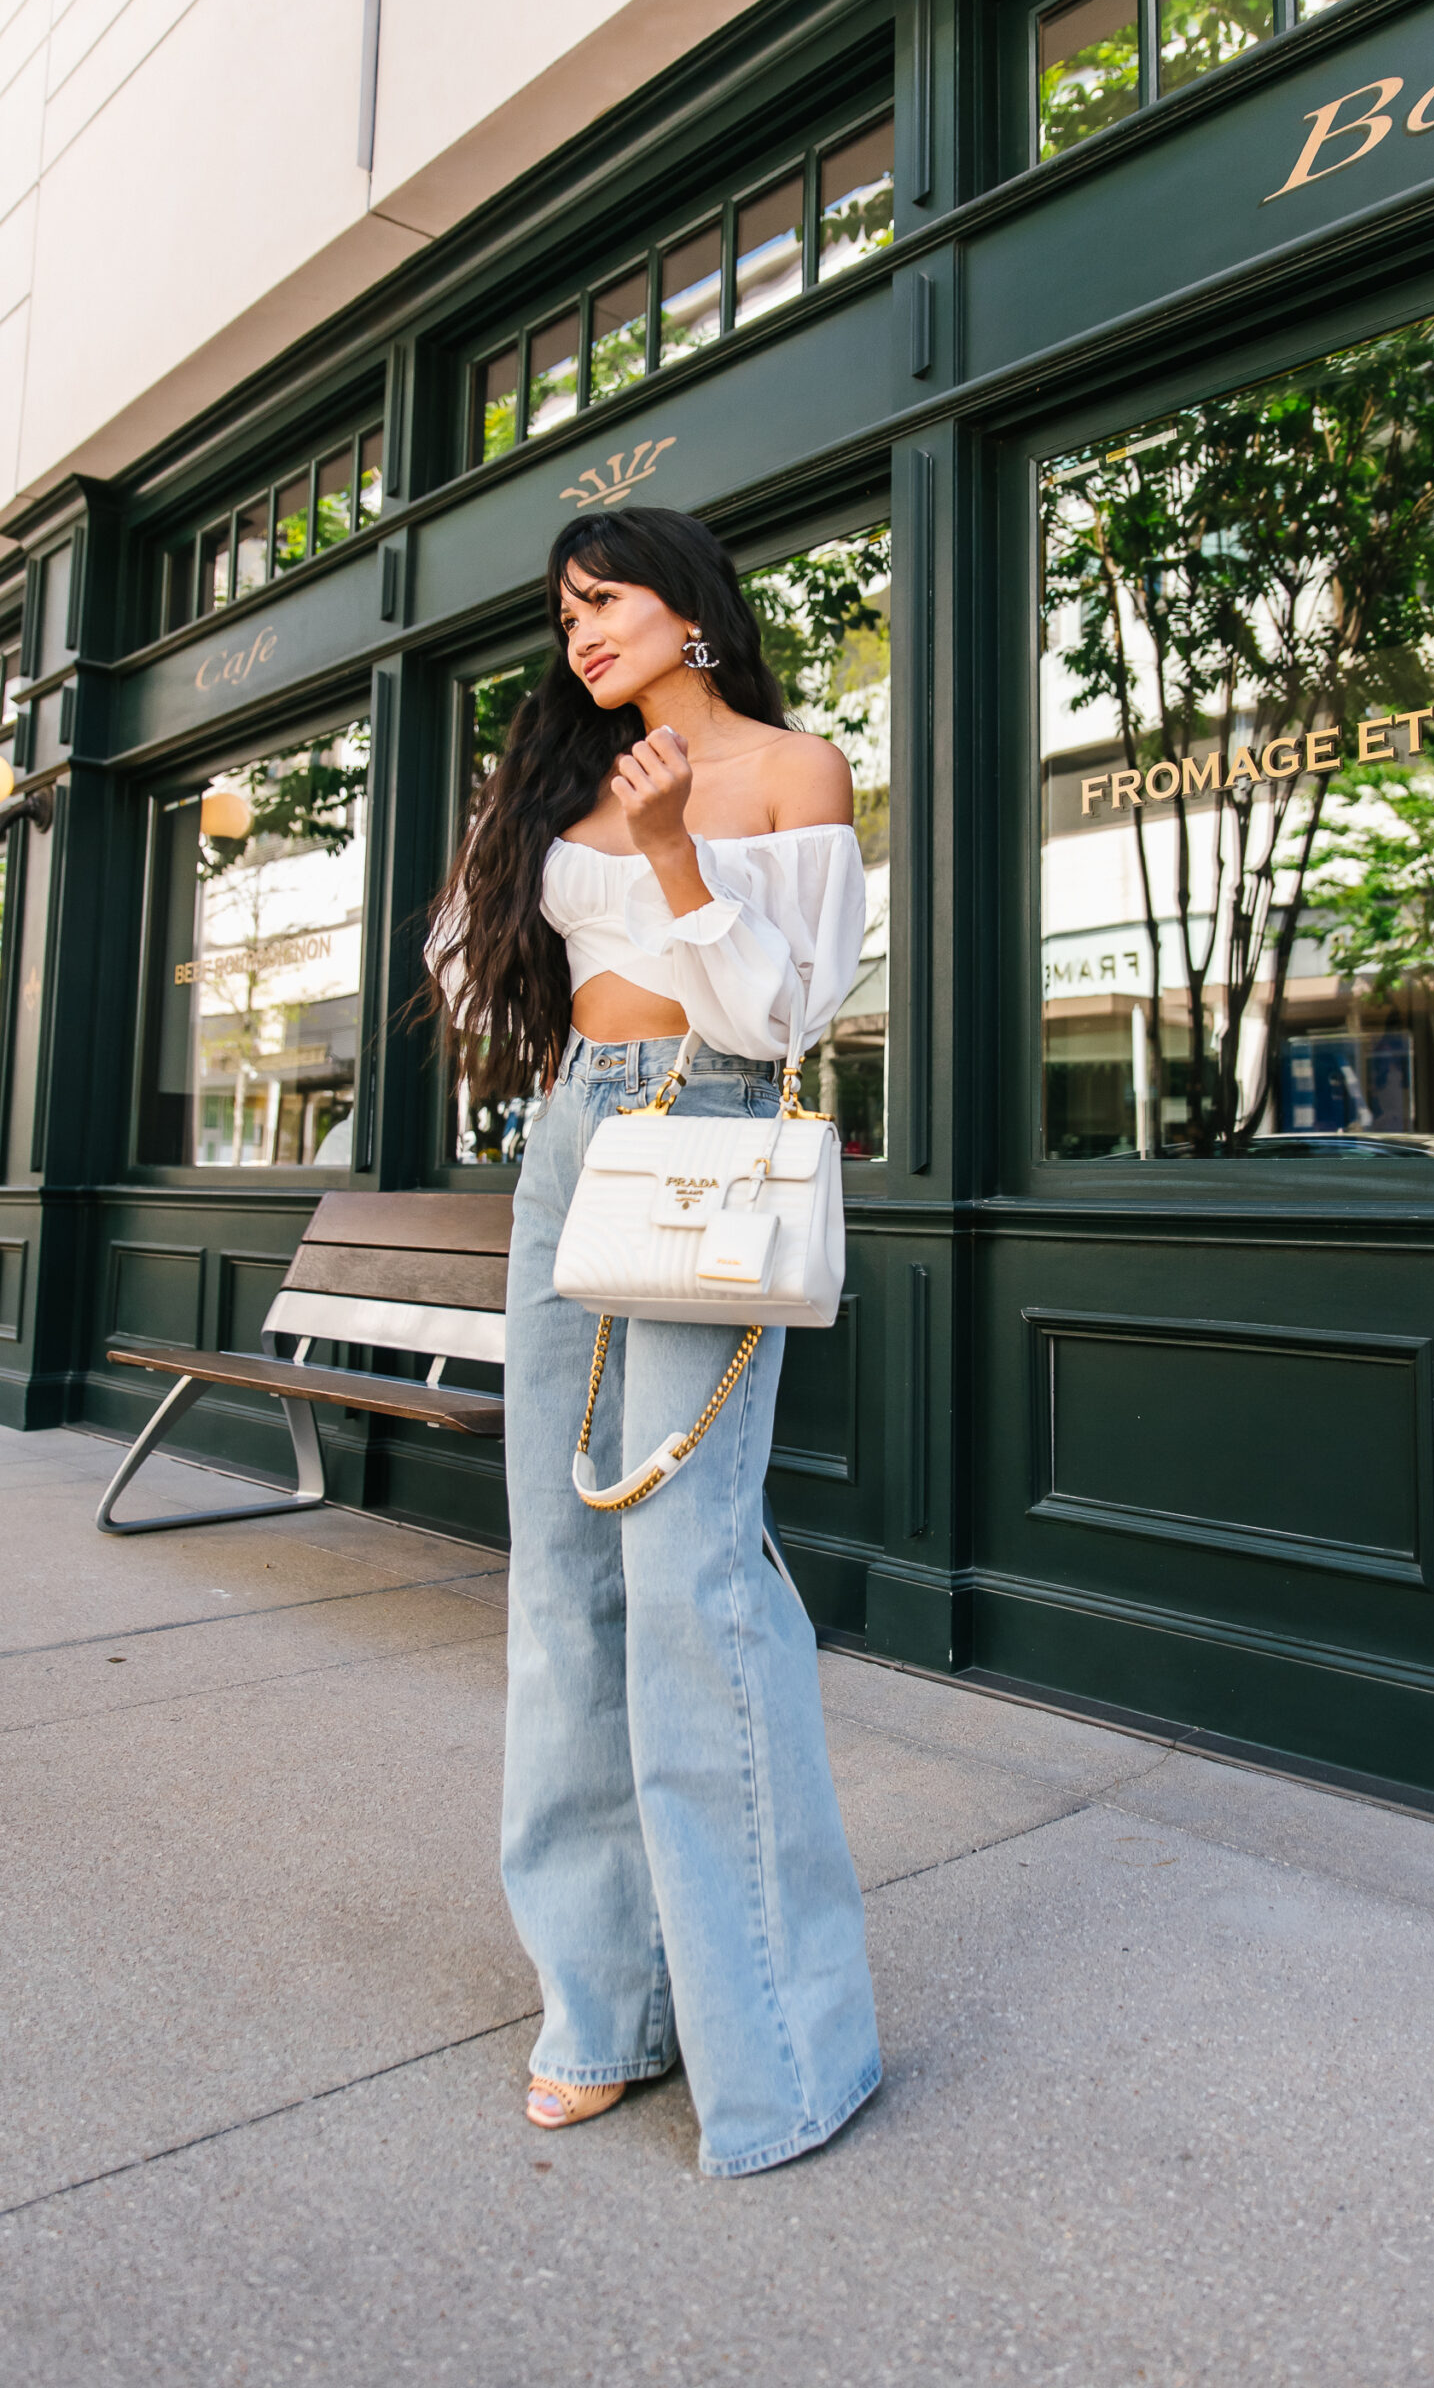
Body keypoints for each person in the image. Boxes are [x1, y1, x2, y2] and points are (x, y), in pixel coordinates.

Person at [426, 506, 881, 2179]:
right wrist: (507, 852)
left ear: (689, 609)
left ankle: (777, 2035)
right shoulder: (567, 779)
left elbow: (781, 1018)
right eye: (561, 610)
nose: (578, 629)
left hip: (709, 1132)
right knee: (560, 1576)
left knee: (689, 1567)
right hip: (574, 1140)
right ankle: (600, 2004)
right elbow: (474, 975)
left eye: (602, 597)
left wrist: (680, 852)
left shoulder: (793, 770)